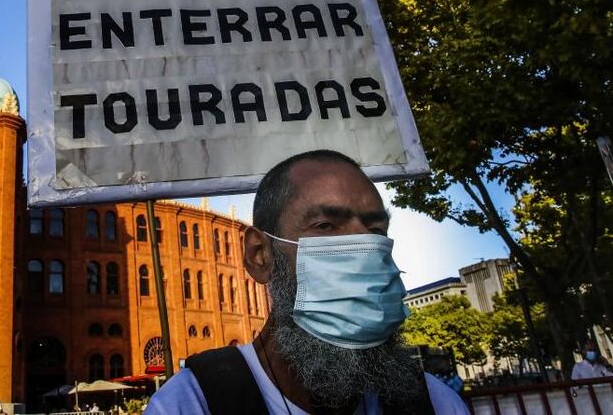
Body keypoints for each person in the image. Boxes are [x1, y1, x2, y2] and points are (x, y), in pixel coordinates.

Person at [145, 150, 468, 414]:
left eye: (376, 231)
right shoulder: (192, 404)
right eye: (326, 226)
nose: (365, 253)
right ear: (260, 255)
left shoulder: (434, 403)